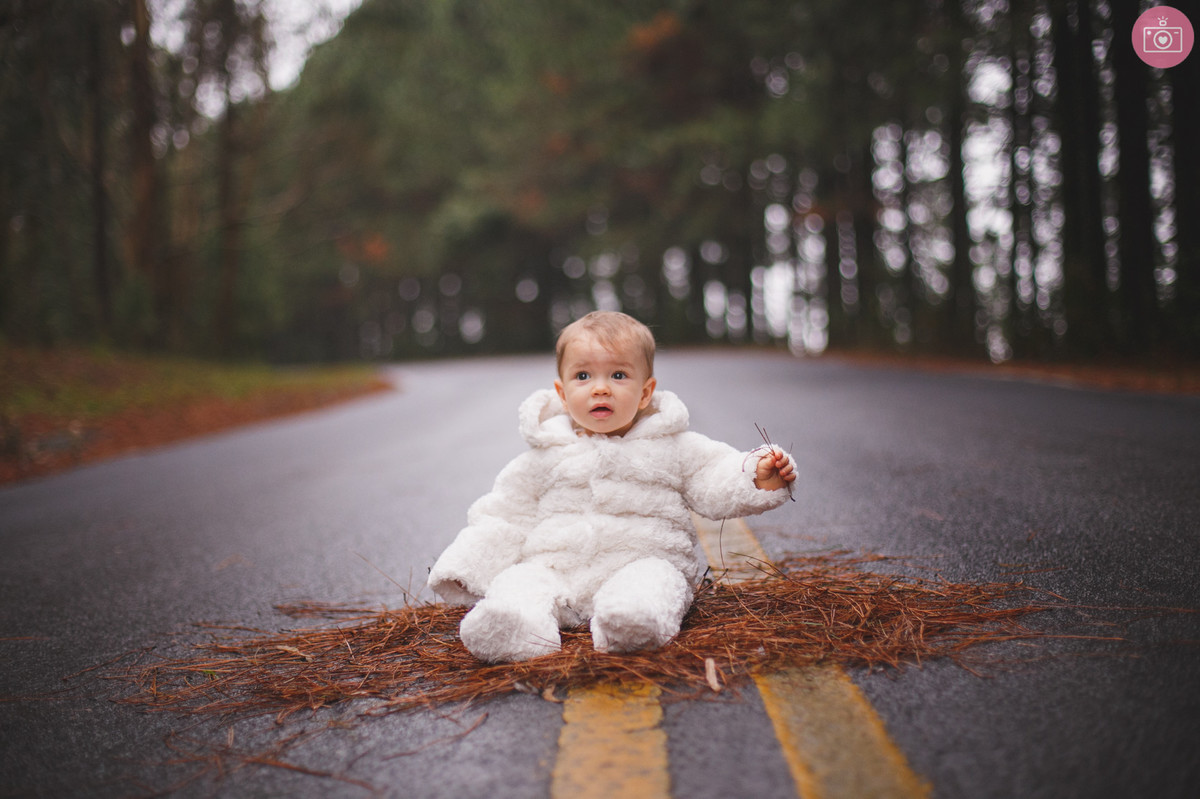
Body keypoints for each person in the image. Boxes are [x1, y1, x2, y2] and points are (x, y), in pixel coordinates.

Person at [427, 311, 796, 663]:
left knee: (652, 583)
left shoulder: (671, 446)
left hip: (643, 560)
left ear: (645, 392)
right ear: (562, 391)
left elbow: (714, 475)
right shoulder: (543, 456)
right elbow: (505, 513)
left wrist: (757, 476)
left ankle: (632, 621)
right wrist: (468, 563)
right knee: (521, 581)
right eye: (583, 376)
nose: (600, 389)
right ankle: (513, 626)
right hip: (557, 566)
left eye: (618, 375)